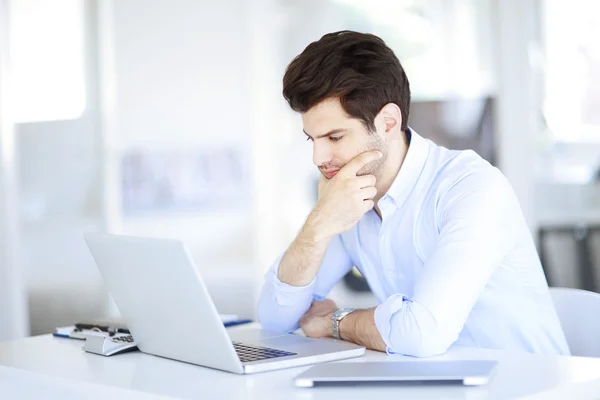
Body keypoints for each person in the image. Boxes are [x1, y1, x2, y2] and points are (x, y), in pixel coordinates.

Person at [256, 30, 570, 357]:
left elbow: (422, 335)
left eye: (334, 137)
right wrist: (319, 224)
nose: (318, 158)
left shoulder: (471, 188)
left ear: (388, 123)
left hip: (527, 384)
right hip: (434, 383)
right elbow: (276, 318)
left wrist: (334, 322)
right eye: (312, 139)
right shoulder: (347, 198)